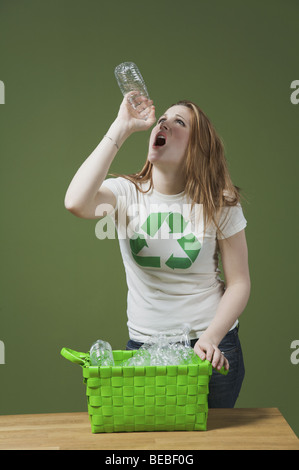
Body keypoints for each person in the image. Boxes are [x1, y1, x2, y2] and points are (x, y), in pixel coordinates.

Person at [64, 92, 251, 408]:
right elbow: (76, 202)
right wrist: (122, 127)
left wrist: (211, 338)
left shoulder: (220, 200)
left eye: (179, 122)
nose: (164, 123)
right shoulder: (126, 193)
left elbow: (239, 283)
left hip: (210, 345)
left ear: (197, 147)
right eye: (162, 119)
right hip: (145, 348)